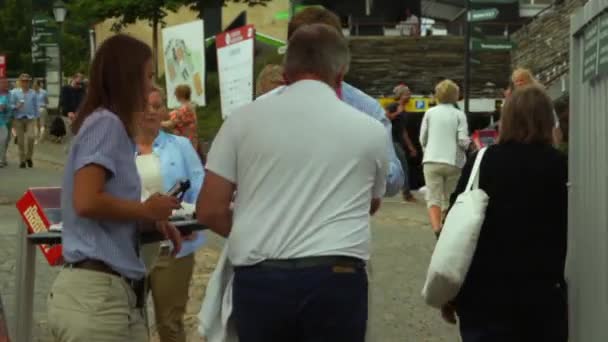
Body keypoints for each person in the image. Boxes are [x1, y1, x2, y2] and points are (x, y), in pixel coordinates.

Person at [197, 23, 388, 341]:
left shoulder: (241, 122)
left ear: (286, 72)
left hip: (261, 276)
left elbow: (208, 209)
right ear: (340, 75)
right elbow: (371, 201)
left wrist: (257, 227)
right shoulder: (370, 129)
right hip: (337, 275)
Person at [46, 34, 183, 342]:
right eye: (147, 77)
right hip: (97, 299)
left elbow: (100, 205)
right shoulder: (107, 123)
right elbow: (86, 201)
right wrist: (145, 209)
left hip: (103, 296)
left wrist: (148, 220)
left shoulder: (105, 123)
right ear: (128, 77)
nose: (151, 87)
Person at [443, 85, 568, 342]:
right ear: (547, 121)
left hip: (482, 299)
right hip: (541, 298)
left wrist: (450, 291)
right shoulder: (561, 166)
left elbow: (453, 224)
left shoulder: (482, 161)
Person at [257, 7, 404, 197]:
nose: (313, 62)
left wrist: (359, 156)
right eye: (305, 52)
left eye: (321, 52)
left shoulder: (367, 110)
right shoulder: (260, 111)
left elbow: (394, 182)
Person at [136, 86, 205, 342]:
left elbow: (200, 189)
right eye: (147, 105)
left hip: (172, 247)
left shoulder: (181, 146)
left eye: (158, 105)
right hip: (129, 247)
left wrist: (191, 223)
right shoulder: (119, 148)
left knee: (170, 323)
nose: (153, 112)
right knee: (130, 322)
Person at [420, 79, 470, 236]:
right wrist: (469, 144)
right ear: (455, 96)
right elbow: (462, 141)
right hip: (453, 161)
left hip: (431, 160)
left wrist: (427, 150)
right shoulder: (459, 115)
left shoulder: (429, 113)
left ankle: (436, 229)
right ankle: (447, 227)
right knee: (450, 197)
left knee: (433, 197)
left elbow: (423, 138)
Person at [386, 84, 417, 202]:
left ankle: (405, 192)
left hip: (398, 141)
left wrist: (411, 147)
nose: (409, 95)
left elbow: (403, 131)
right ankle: (407, 193)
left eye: (409, 93)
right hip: (391, 140)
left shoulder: (405, 111)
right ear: (400, 95)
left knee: (401, 166)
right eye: (406, 94)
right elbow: (384, 118)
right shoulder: (394, 106)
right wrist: (396, 113)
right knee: (403, 165)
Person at [10, 73, 39, 168]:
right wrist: (16, 106)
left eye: (27, 81)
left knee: (31, 137)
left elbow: (36, 106)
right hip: (18, 118)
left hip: (30, 118)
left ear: (29, 82)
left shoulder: (33, 93)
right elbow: (10, 105)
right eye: (23, 81)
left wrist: (37, 118)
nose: (25, 83)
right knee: (21, 141)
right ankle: (22, 160)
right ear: (20, 82)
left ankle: (29, 157)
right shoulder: (14, 92)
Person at [162, 84, 199, 150]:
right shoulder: (191, 107)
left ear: (179, 95)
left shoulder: (183, 110)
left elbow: (170, 124)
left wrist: (158, 123)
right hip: (192, 141)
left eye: (176, 94)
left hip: (184, 143)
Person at [58, 73, 85, 143]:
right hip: (67, 116)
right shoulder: (65, 89)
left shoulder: (82, 91)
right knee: (69, 138)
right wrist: (68, 112)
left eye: (80, 83)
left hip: (78, 116)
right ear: (73, 79)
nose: (79, 85)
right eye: (77, 83)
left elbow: (84, 102)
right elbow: (63, 101)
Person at [33, 79, 49, 144]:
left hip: (35, 109)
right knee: (42, 125)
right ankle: (41, 139)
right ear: (40, 84)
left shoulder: (32, 92)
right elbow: (47, 102)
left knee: (36, 125)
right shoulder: (44, 92)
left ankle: (36, 140)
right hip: (42, 109)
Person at [0, 78, 10, 167]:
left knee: (4, 141)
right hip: (3, 121)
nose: (4, 85)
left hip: (5, 121)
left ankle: (2, 159)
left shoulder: (8, 95)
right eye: (2, 83)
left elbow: (3, 107)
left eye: (5, 83)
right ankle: (2, 160)